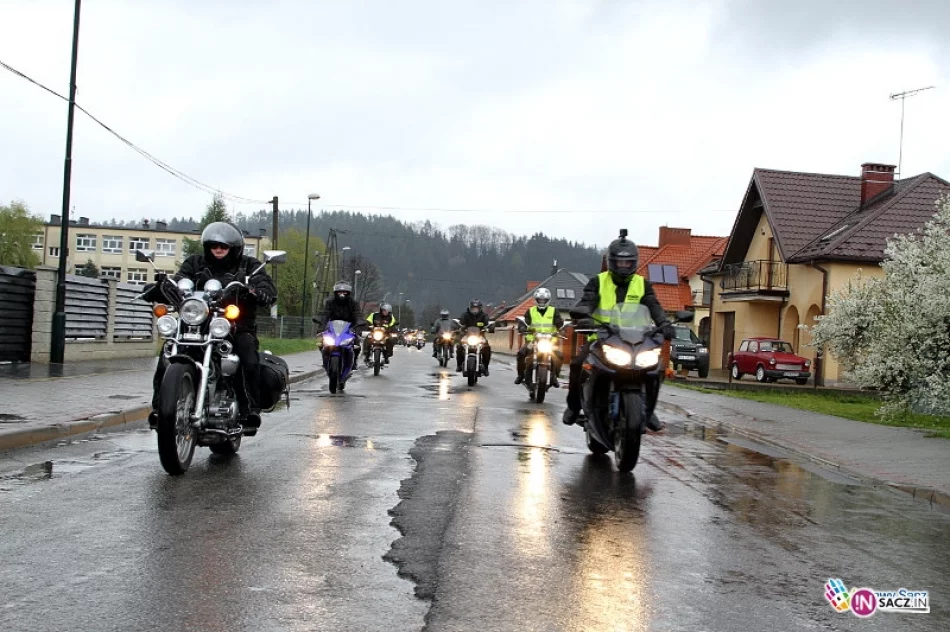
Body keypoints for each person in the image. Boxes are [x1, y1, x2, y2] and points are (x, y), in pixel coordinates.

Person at [147, 222, 276, 433]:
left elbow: (265, 286)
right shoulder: (195, 263)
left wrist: (258, 291)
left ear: (234, 248)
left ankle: (248, 410)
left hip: (236, 326)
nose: (218, 249)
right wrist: (160, 287)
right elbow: (180, 279)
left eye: (223, 246)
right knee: (168, 353)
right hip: (197, 324)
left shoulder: (249, 265)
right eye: (214, 245)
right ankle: (161, 408)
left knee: (248, 357)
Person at [562, 230, 673, 431]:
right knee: (577, 365)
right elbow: (587, 302)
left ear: (634, 263)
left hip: (637, 339)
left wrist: (665, 323)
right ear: (612, 262)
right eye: (620, 262)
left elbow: (654, 306)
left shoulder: (642, 284)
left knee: (656, 368)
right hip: (603, 338)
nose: (623, 266)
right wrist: (584, 315)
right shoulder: (598, 281)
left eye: (628, 262)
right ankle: (573, 406)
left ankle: (648, 410)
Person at [515, 287, 564, 387]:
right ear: (536, 300)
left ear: (548, 300)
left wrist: (562, 328)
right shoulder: (530, 311)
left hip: (550, 341)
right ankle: (520, 374)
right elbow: (524, 322)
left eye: (544, 300)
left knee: (559, 355)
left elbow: (560, 323)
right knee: (521, 353)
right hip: (533, 341)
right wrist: (522, 327)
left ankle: (554, 376)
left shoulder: (554, 311)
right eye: (540, 300)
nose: (542, 302)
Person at [315, 281, 362, 370]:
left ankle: (354, 360)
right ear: (335, 293)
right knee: (322, 341)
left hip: (349, 326)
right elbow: (325, 314)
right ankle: (325, 358)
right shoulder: (330, 302)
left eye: (344, 292)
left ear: (348, 293)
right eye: (339, 292)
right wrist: (321, 326)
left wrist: (359, 325)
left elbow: (357, 315)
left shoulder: (353, 303)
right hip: (333, 326)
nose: (342, 294)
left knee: (356, 343)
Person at [455, 299, 493, 375]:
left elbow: (487, 323)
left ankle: (485, 367)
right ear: (470, 308)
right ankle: (459, 365)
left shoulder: (483, 315)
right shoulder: (465, 315)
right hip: (467, 335)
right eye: (473, 308)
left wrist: (489, 327)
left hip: (480, 336)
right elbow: (460, 322)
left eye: (476, 308)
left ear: (480, 308)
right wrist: (458, 326)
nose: (474, 310)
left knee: (487, 348)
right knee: (459, 347)